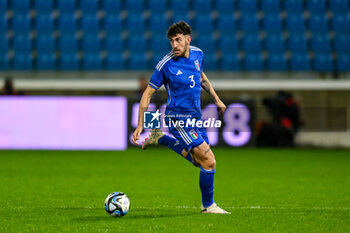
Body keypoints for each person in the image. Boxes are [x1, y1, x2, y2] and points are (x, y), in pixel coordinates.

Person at [132, 21, 229, 214]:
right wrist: (140, 124)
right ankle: (208, 206)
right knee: (209, 160)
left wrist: (217, 99)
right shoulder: (165, 64)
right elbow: (147, 94)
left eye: (178, 40)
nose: (174, 45)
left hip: (196, 117)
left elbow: (201, 77)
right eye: (171, 41)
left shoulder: (198, 54)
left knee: (198, 162)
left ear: (188, 39)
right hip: (177, 118)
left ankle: (161, 138)